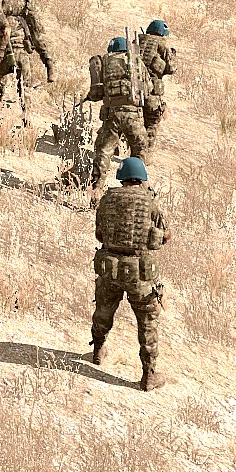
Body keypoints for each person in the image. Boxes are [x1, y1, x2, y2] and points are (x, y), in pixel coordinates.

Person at [91, 158, 171, 391]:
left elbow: (99, 234)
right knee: (147, 323)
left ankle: (98, 351)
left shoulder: (107, 199)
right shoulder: (149, 202)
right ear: (141, 178)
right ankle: (148, 376)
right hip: (140, 273)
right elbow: (165, 235)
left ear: (122, 177)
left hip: (110, 268)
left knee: (103, 311)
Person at [84, 36, 148, 168]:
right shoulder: (137, 63)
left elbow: (96, 94)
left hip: (112, 114)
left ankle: (97, 180)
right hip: (134, 114)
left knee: (103, 152)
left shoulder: (104, 62)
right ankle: (137, 178)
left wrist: (90, 96)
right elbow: (147, 90)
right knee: (139, 152)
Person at [136, 19, 177, 142]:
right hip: (152, 92)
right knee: (151, 124)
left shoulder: (137, 41)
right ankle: (145, 151)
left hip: (133, 88)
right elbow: (171, 69)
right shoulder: (162, 44)